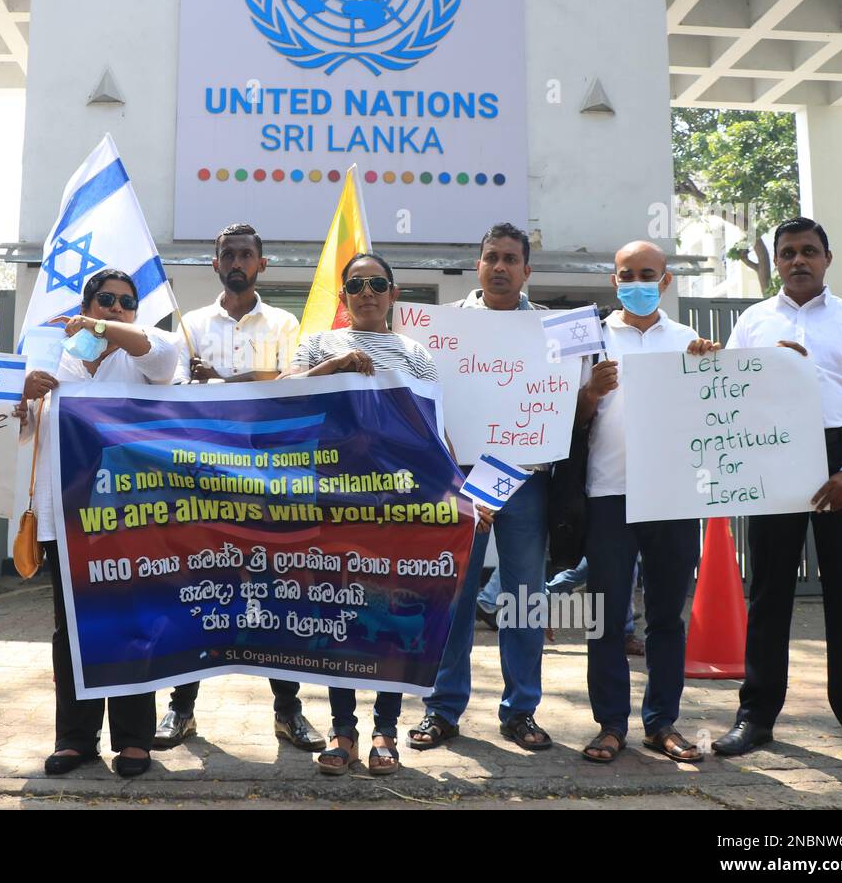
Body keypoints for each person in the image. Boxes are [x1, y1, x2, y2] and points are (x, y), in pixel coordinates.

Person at [282, 252, 490, 775]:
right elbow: (286, 392)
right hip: (333, 501)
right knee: (339, 614)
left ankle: (385, 731)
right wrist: (340, 365)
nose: (367, 292)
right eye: (356, 285)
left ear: (394, 293)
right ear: (343, 297)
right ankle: (343, 730)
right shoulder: (319, 344)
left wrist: (459, 495)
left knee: (394, 617)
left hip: (399, 507)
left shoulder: (414, 354)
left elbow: (433, 433)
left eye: (377, 283)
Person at [713, 218, 842, 769]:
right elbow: (727, 393)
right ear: (776, 261)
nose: (798, 261)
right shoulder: (753, 321)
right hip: (773, 458)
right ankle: (756, 717)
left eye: (808, 251)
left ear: (828, 258)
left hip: (841, 461)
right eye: (787, 252)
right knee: (768, 594)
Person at [155, 223, 325, 753]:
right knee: (198, 594)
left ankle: (288, 712)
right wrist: (244, 380)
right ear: (214, 263)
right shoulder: (188, 326)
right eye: (227, 253)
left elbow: (292, 390)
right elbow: (178, 394)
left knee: (275, 592)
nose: (236, 260)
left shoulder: (283, 322)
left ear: (261, 264)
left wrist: (227, 382)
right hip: (202, 482)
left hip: (269, 480)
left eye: (246, 254)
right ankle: (179, 711)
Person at [21, 268, 182, 778]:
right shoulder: (52, 356)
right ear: (85, 304)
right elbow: (20, 432)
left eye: (125, 302)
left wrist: (99, 327)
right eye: (105, 300)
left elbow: (164, 356)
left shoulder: (146, 352)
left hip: (132, 518)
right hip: (65, 518)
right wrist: (21, 396)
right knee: (71, 631)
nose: (116, 308)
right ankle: (75, 739)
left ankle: (134, 740)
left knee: (134, 626)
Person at [408, 223, 555, 752]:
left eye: (510, 259)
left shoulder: (550, 330)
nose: (499, 266)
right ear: (477, 265)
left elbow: (570, 409)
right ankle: (443, 709)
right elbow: (424, 404)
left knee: (524, 601)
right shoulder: (442, 328)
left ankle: (522, 711)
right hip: (461, 480)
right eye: (490, 256)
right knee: (454, 599)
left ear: (526, 270)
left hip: (527, 480)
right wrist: (450, 478)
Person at [578, 240, 720, 764]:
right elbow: (562, 419)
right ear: (613, 280)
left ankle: (662, 723)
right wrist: (589, 392)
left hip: (673, 493)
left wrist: (711, 370)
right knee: (606, 618)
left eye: (646, 273)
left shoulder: (690, 342)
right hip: (608, 493)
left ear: (665, 281)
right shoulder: (587, 339)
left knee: (666, 617)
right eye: (625, 273)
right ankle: (610, 725)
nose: (635, 281)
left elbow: (715, 414)